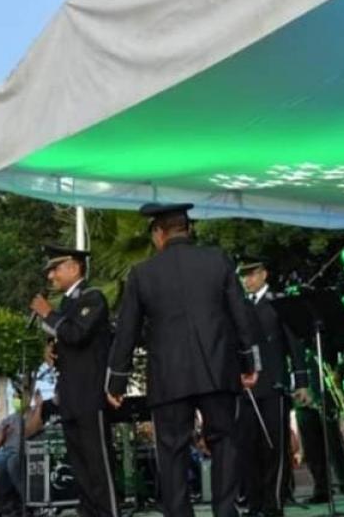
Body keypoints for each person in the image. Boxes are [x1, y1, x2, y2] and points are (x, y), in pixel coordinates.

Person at [106, 202, 262, 517]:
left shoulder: (142, 273)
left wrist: (117, 380)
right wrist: (249, 363)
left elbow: (127, 330)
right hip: (217, 369)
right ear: (188, 229)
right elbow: (240, 316)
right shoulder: (218, 260)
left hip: (168, 376)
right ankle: (225, 511)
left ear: (158, 234)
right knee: (224, 443)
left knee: (172, 450)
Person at [30, 245, 119, 516]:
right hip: (69, 396)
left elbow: (77, 333)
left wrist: (48, 313)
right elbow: (67, 339)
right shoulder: (68, 304)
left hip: (90, 395)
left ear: (74, 267)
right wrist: (52, 350)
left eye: (55, 269)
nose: (51, 276)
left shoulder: (92, 298)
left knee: (98, 466)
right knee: (80, 468)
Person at [293, 248, 344, 503]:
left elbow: (343, 343)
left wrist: (338, 372)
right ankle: (321, 486)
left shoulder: (329, 313)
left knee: (331, 433)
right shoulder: (294, 319)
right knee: (309, 436)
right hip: (303, 379)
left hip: (326, 376)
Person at [236, 255, 297, 517]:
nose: (247, 279)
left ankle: (274, 502)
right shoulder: (238, 306)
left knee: (274, 446)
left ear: (264, 274)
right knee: (248, 447)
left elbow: (294, 345)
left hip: (273, 383)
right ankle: (254, 502)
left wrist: (301, 381)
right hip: (246, 387)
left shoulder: (278, 302)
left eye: (252, 273)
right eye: (243, 275)